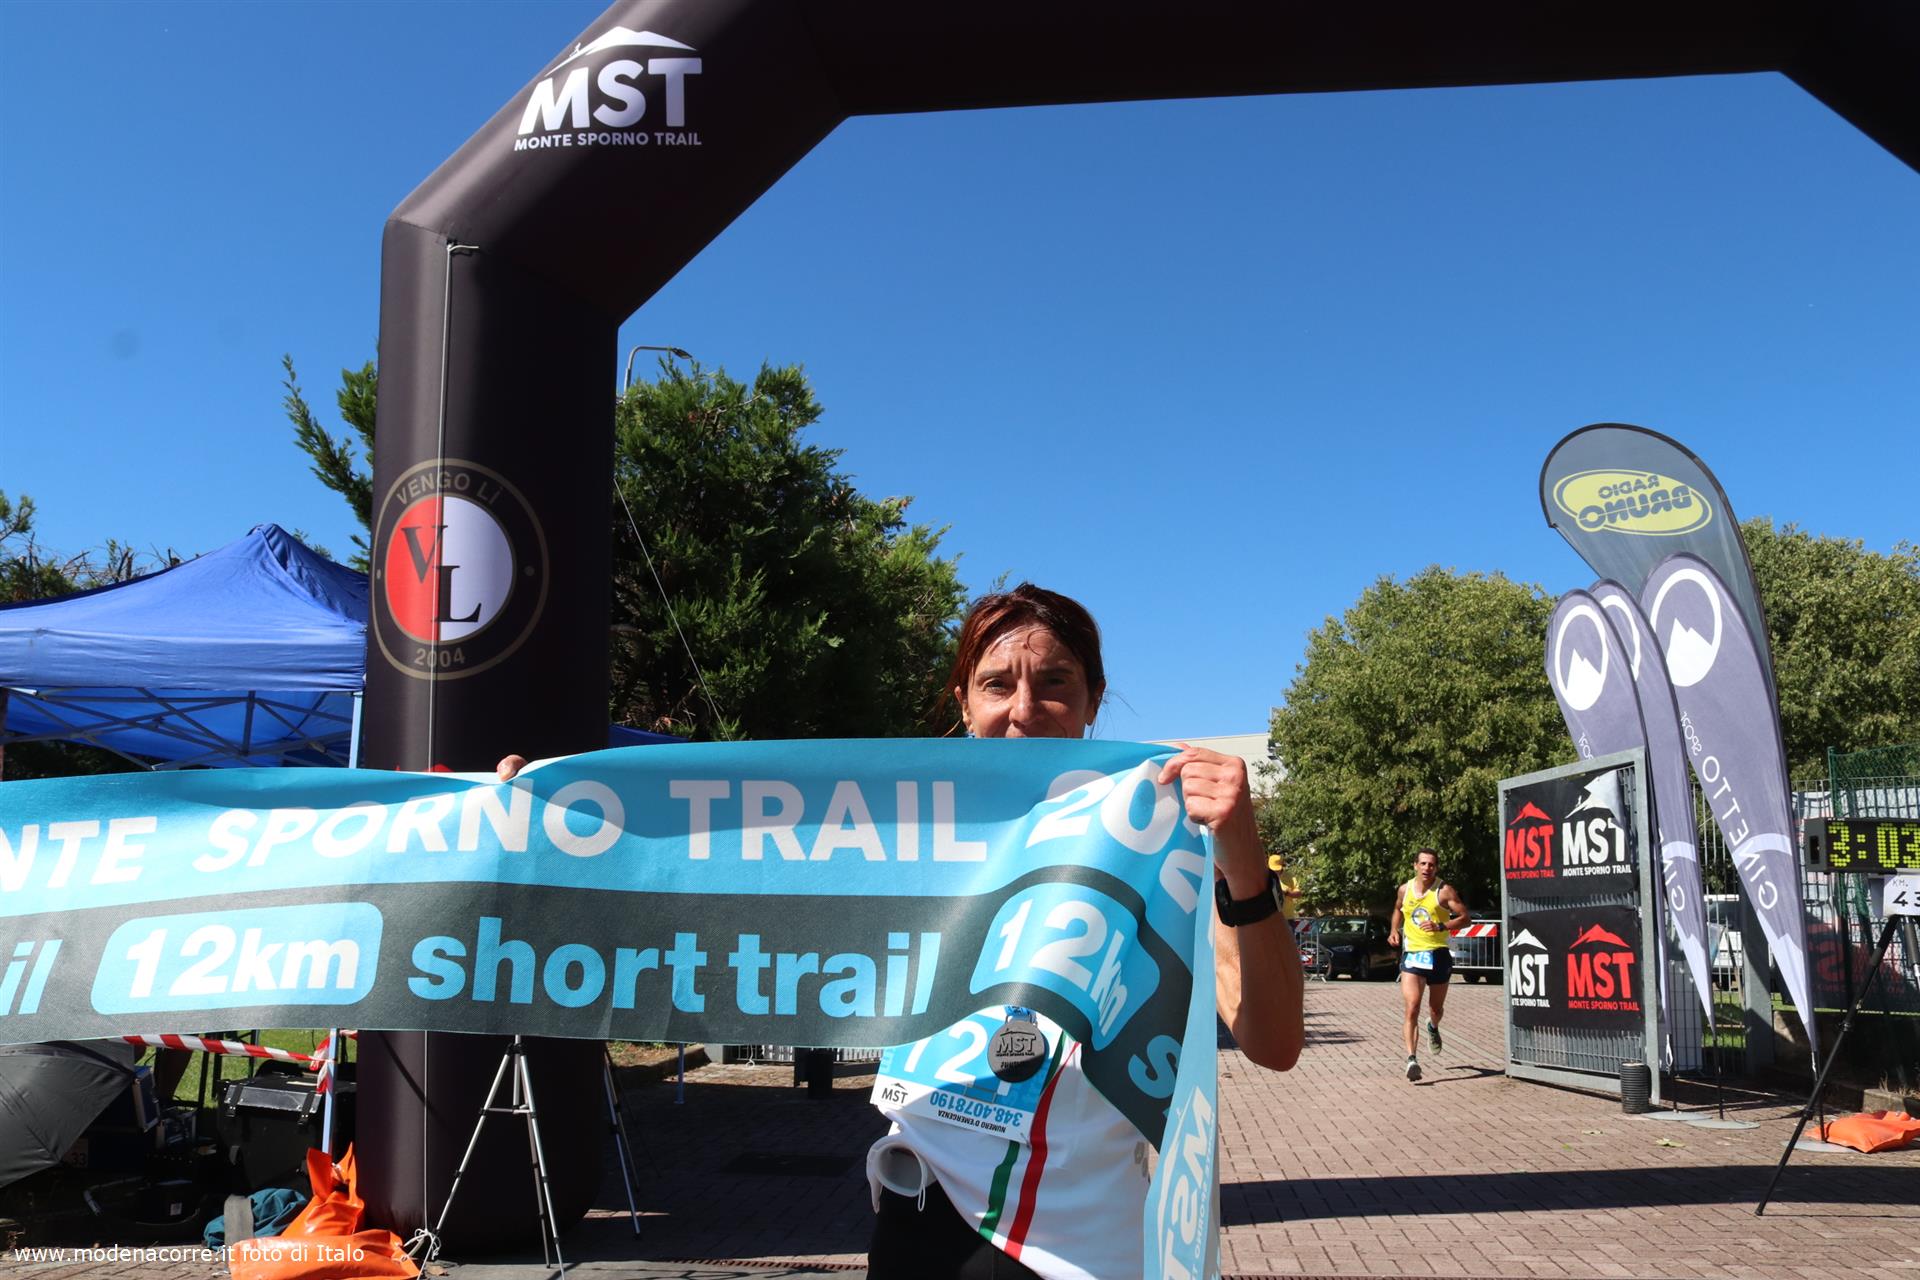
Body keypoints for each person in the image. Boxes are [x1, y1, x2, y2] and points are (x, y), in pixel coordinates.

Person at [863, 584, 1302, 1280]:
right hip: (915, 1223)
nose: (1024, 709)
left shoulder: (1161, 828)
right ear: (964, 703)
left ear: (1095, 699)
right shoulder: (906, 831)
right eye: (997, 684)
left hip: (1076, 1250)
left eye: (1055, 683)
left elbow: (1274, 1044)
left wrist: (1242, 859)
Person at [1386, 847, 1467, 1083]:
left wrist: (1441, 926)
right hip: (1413, 954)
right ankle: (1412, 1059)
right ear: (1415, 865)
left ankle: (1433, 1026)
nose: (1427, 868)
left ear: (1436, 868)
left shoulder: (1444, 891)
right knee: (1412, 1006)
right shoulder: (1405, 889)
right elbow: (1397, 909)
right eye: (1423, 863)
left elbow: (1465, 918)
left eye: (1431, 864)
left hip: (1438, 953)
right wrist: (1394, 930)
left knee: (1435, 1009)